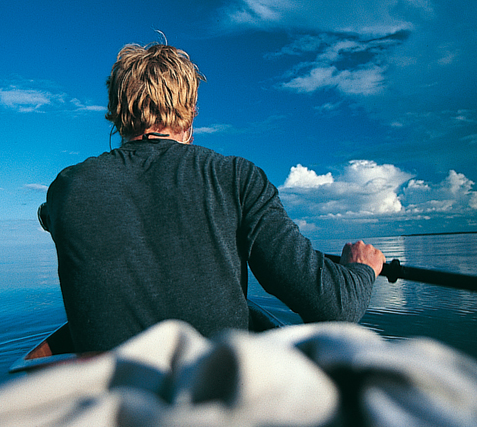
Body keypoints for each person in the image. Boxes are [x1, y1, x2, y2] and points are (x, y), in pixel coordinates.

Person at [41, 42, 385, 353]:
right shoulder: (236, 178)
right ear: (190, 112)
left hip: (113, 401)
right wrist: (360, 270)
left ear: (116, 113)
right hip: (213, 396)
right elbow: (333, 307)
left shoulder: (67, 188)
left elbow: (47, 215)